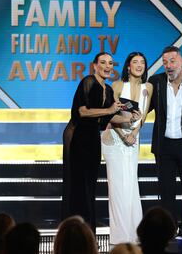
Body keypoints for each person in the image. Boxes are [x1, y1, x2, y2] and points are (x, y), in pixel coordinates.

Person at [62, 52, 141, 233]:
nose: (107, 66)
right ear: (95, 65)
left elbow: (112, 118)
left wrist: (131, 119)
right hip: (78, 138)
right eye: (103, 62)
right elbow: (82, 112)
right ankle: (74, 232)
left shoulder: (109, 90)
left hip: (92, 140)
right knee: (78, 187)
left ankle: (88, 232)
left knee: (90, 187)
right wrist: (110, 111)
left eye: (111, 63)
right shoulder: (88, 81)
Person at [101, 52, 153, 245]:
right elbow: (110, 114)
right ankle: (119, 234)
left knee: (131, 184)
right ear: (128, 66)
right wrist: (124, 135)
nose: (139, 65)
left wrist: (133, 134)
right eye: (135, 62)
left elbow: (143, 115)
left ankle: (133, 232)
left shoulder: (148, 88)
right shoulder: (117, 85)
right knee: (116, 186)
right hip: (115, 138)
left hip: (133, 139)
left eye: (142, 62)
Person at [148, 46, 182, 234]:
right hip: (164, 146)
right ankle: (169, 230)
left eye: (172, 61)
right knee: (166, 193)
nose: (168, 66)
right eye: (165, 62)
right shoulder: (156, 82)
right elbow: (143, 109)